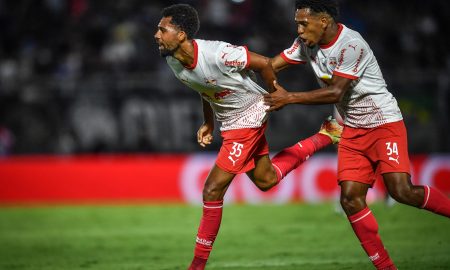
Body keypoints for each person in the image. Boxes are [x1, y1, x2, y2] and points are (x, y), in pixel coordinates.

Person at [154, 4, 342, 270]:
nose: (156, 35)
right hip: (229, 121)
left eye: (163, 29)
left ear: (182, 34)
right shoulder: (174, 60)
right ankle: (327, 135)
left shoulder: (219, 54)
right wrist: (208, 122)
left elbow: (265, 63)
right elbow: (203, 87)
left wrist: (277, 93)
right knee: (266, 180)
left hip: (251, 113)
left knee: (212, 189)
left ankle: (196, 266)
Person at [265, 0, 450, 269]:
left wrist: (289, 97)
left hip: (383, 123)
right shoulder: (305, 44)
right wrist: (237, 71)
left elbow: (335, 92)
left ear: (324, 21)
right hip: (352, 128)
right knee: (350, 199)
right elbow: (272, 64)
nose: (300, 30)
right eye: (297, 24)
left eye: (304, 23)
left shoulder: (351, 44)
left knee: (401, 191)